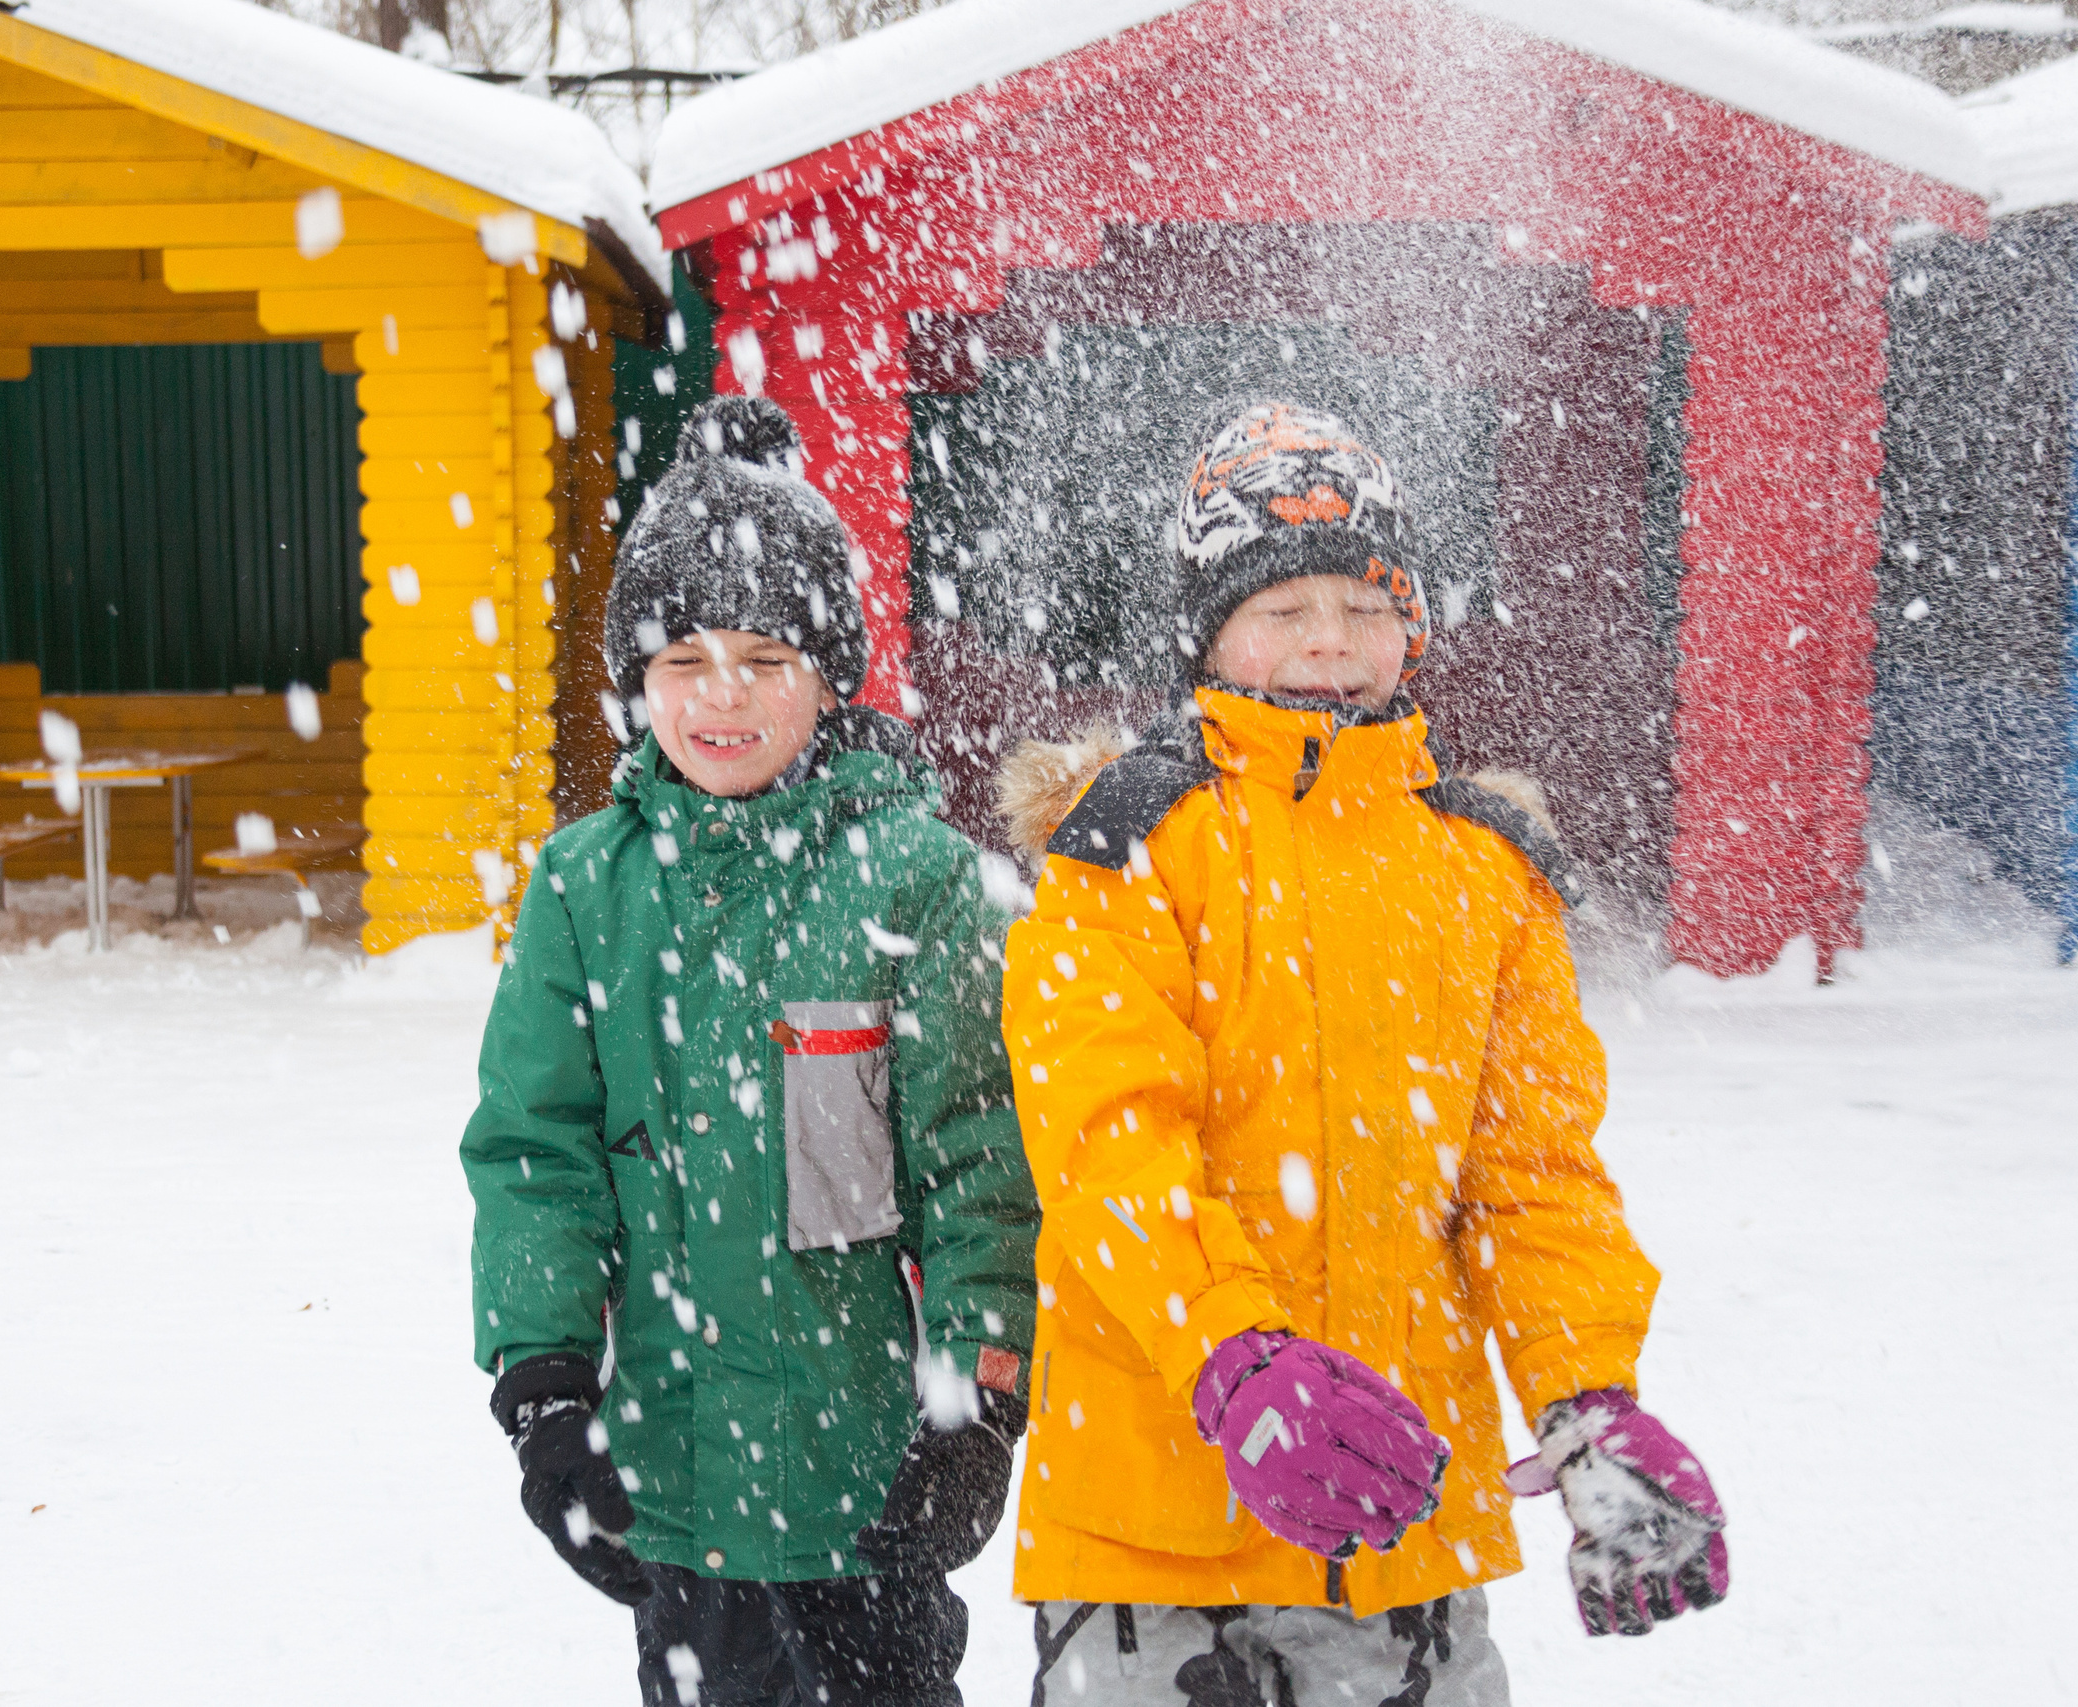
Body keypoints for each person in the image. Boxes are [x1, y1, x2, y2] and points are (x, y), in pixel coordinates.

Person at [993, 402, 1727, 1705]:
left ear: (1414, 628)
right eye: (1282, 607)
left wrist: (1587, 1396)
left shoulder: (1485, 876)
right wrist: (1236, 1358)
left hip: (1398, 1535)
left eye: (1365, 602)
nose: (1330, 638)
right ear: (1206, 632)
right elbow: (1108, 1143)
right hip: (1153, 1540)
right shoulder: (1123, 849)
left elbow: (1533, 1181)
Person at [461, 397, 1038, 1707]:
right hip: (670, 1475)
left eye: (767, 658)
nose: (723, 696)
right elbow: (533, 1155)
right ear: (638, 682)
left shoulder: (918, 875)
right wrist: (545, 1392)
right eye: (685, 660)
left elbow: (977, 1164)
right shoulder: (581, 886)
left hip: (868, 1477)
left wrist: (979, 1395)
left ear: (830, 677)